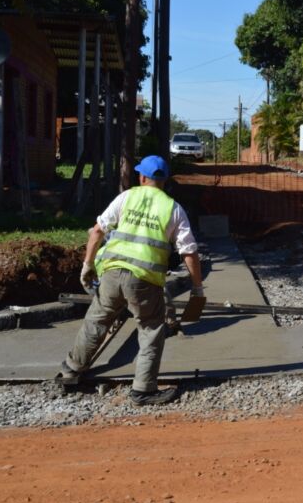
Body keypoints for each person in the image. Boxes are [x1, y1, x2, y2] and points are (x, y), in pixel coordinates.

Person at [59, 155, 203, 405]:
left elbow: (97, 231)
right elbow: (189, 251)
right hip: (144, 281)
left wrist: (87, 264)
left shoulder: (126, 197)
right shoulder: (173, 208)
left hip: (112, 274)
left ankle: (71, 371)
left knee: (97, 321)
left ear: (142, 177)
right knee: (150, 329)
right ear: (164, 180)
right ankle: (143, 390)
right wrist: (197, 288)